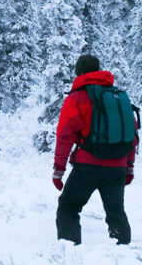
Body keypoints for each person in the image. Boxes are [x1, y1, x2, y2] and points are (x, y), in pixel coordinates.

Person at [52, 54, 136, 245]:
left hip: (88, 166)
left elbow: (65, 135)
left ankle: (69, 251)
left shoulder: (77, 97)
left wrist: (59, 169)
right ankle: (123, 253)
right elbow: (131, 132)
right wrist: (129, 166)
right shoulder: (118, 96)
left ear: (78, 73)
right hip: (117, 166)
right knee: (116, 212)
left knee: (68, 207)